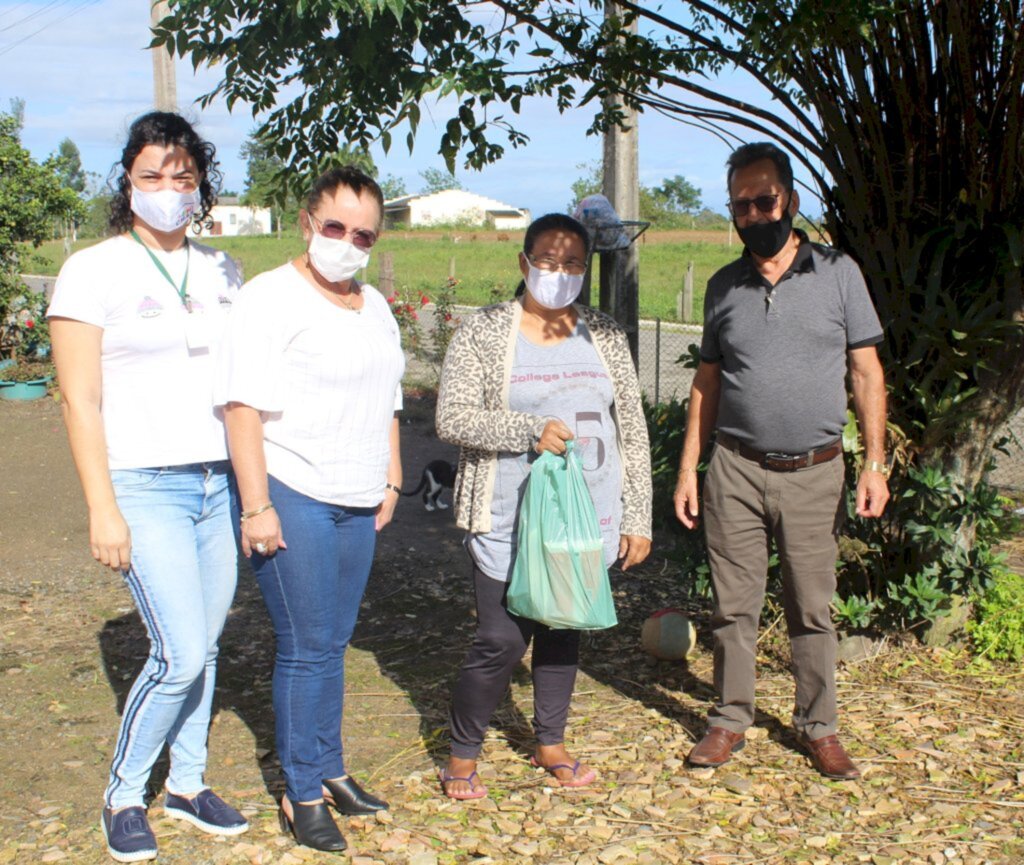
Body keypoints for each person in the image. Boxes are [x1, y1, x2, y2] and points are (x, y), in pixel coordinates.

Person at [48, 112, 249, 863]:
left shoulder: (224, 268)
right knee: (180, 653)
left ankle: (189, 783)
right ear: (127, 182)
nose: (169, 189)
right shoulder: (93, 270)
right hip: (144, 483)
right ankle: (124, 792)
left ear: (201, 185)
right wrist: (103, 506)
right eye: (153, 176)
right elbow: (81, 400)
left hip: (218, 481)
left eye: (184, 177)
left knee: (210, 641)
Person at [673, 142, 889, 780]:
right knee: (733, 606)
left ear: (790, 200)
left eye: (764, 200)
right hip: (735, 468)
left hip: (815, 471)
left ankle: (819, 726)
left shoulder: (839, 274)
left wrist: (874, 463)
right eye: (740, 205)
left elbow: (866, 372)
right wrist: (690, 468)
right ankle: (730, 718)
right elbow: (706, 385)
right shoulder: (722, 288)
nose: (753, 214)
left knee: (812, 607)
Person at [216, 166, 403, 853]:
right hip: (293, 488)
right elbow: (241, 406)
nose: (347, 242)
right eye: (335, 227)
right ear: (306, 222)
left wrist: (392, 474)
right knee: (305, 645)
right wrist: (257, 504)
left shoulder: (374, 304)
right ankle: (301, 792)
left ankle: (332, 767)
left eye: (363, 233)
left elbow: (388, 395)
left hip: (358, 497)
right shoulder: (270, 298)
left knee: (334, 641)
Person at [435, 213, 653, 799]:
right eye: (548, 262)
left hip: (587, 516)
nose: (560, 274)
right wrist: (528, 429)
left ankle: (550, 740)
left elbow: (630, 425)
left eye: (573, 264)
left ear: (586, 268)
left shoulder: (603, 332)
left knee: (562, 628)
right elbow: (451, 417)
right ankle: (462, 751)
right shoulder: (484, 331)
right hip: (507, 515)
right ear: (524, 262)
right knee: (502, 640)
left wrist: (637, 515)